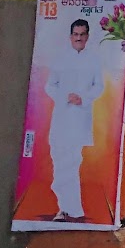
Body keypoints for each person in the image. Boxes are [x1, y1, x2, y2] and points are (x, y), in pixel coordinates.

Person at [44, 18, 104, 222]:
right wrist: (64, 96)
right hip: (61, 117)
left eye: (82, 35)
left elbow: (99, 86)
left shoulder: (94, 60)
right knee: (60, 162)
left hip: (80, 118)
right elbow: (50, 86)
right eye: (75, 35)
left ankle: (71, 209)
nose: (78, 38)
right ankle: (65, 207)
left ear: (87, 37)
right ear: (71, 37)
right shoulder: (60, 59)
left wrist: (83, 98)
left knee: (72, 162)